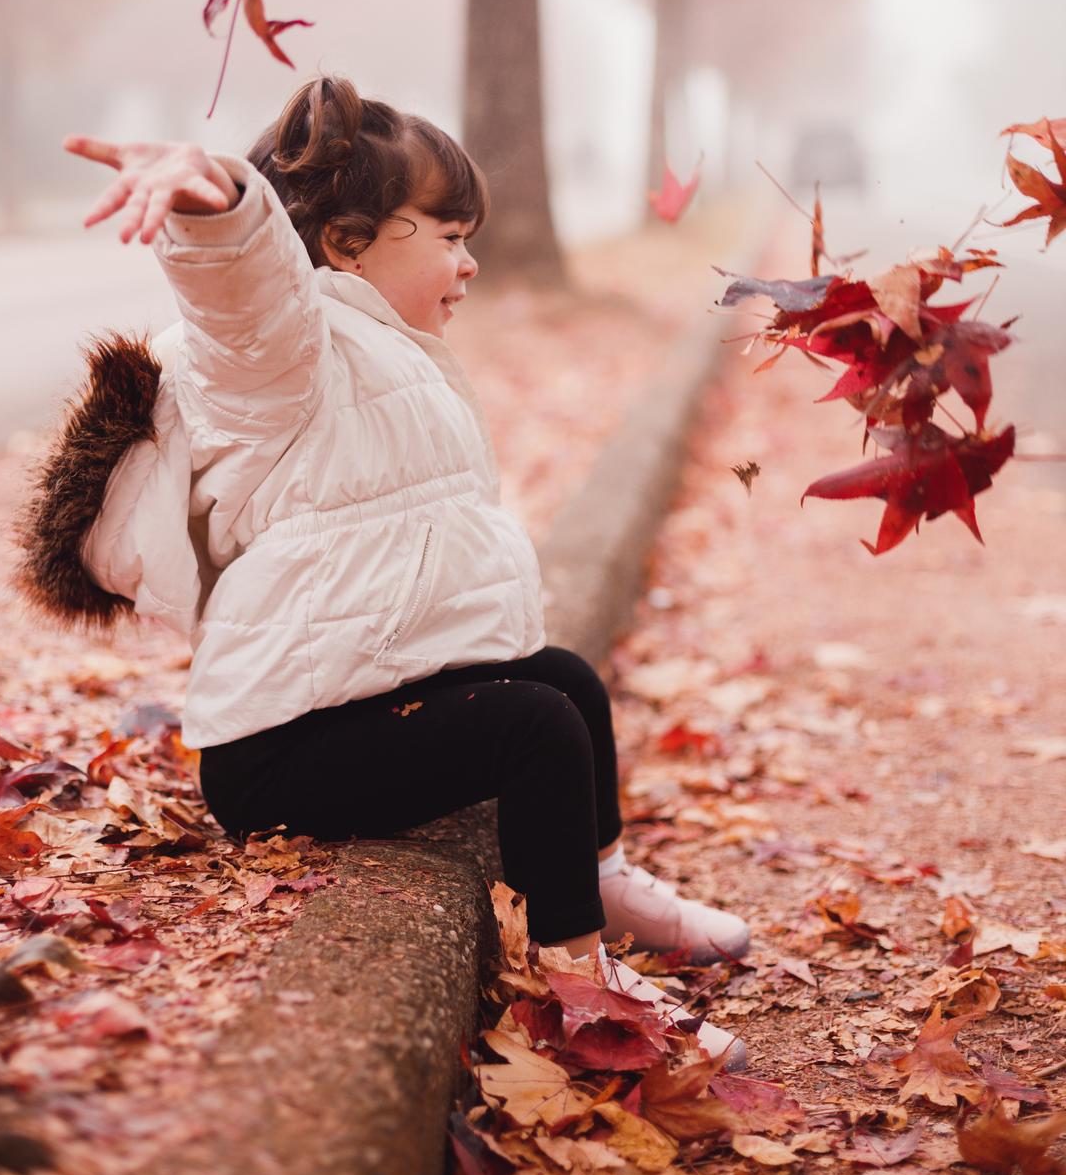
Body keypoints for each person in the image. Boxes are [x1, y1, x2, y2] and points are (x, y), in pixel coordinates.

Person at [51, 76, 750, 1052]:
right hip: (276, 757)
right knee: (535, 727)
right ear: (346, 243)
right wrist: (215, 199)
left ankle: (594, 878)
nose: (470, 263)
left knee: (563, 680)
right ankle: (583, 996)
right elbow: (243, 293)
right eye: (446, 234)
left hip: (345, 702)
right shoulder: (286, 359)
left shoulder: (375, 344)